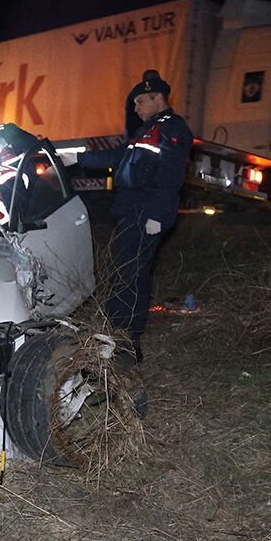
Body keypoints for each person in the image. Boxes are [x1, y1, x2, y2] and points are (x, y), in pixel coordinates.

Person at [76, 70, 193, 369]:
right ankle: (126, 343)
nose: (136, 109)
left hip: (145, 212)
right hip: (132, 211)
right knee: (130, 276)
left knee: (127, 278)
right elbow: (120, 156)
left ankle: (123, 345)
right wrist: (79, 159)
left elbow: (171, 174)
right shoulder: (147, 129)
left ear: (157, 98)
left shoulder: (171, 127)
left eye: (140, 102)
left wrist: (156, 214)